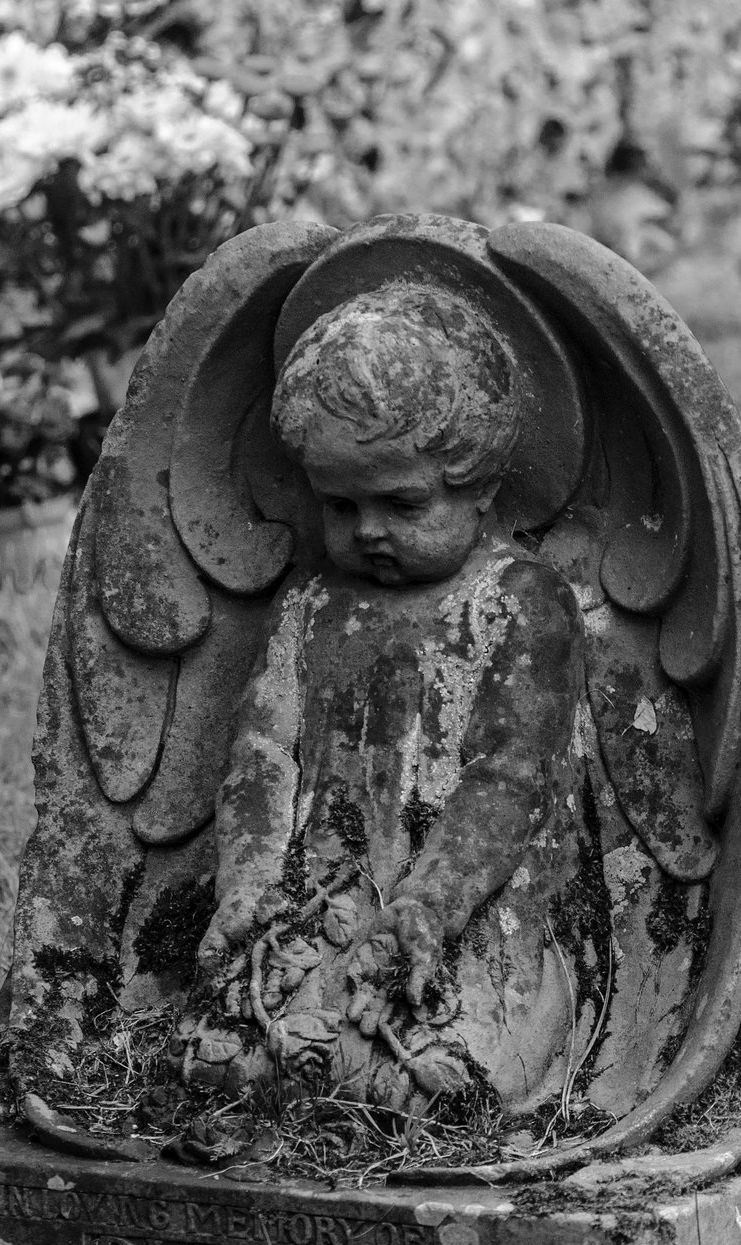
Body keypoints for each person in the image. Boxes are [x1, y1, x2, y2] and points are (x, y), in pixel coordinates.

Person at [179, 281, 588, 1114]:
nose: (367, 530)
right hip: (323, 895)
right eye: (339, 504)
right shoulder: (311, 606)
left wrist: (428, 908)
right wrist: (249, 880)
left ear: (479, 487)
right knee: (227, 1068)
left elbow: (510, 777)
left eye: (403, 503)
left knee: (429, 1085)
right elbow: (261, 754)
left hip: (469, 902)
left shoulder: (518, 600)